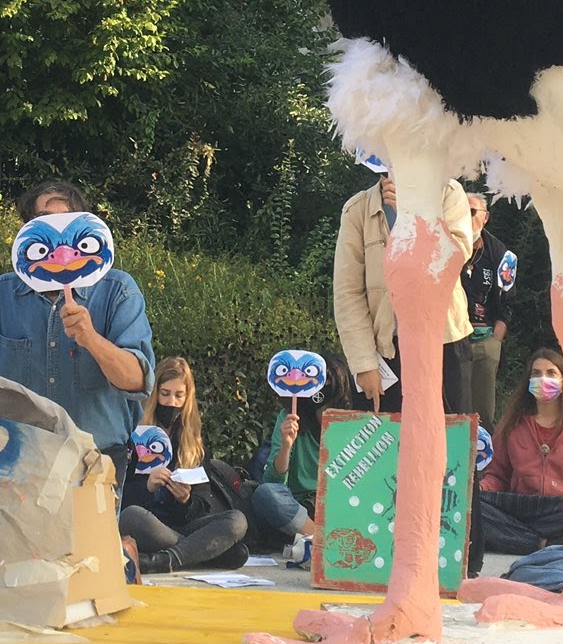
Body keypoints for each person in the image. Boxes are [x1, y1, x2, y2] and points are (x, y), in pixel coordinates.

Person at [0, 178, 156, 469]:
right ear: (26, 231)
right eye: (44, 221)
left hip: (96, 460)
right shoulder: (0, 294)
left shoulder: (118, 290)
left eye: (67, 221)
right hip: (20, 460)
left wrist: (91, 338)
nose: (59, 236)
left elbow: (138, 381)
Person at [332, 163, 475, 413]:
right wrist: (364, 363)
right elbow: (348, 292)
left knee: (449, 440)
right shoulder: (357, 210)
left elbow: (455, 258)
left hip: (445, 344)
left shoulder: (449, 193)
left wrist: (412, 213)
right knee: (384, 445)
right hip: (385, 351)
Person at [118, 357, 248, 574]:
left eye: (179, 396)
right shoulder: (136, 434)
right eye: (165, 393)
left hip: (181, 525)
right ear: (154, 393)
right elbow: (119, 496)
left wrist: (185, 500)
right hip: (148, 524)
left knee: (237, 520)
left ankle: (164, 560)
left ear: (188, 398)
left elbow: (202, 505)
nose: (171, 403)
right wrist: (147, 487)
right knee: (131, 516)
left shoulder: (192, 442)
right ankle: (204, 552)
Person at [477, 348, 563, 553]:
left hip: (560, 508)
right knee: (475, 506)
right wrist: (480, 489)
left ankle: (519, 540)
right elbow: (498, 475)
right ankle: (542, 544)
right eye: (536, 374)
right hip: (519, 505)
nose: (543, 379)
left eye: (551, 373)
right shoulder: (512, 425)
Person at [248, 353, 361, 564]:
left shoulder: (351, 424)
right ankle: (325, 544)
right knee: (266, 494)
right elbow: (273, 482)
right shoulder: (290, 419)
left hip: (336, 507)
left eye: (329, 385)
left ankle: (317, 542)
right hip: (298, 510)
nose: (323, 394)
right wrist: (286, 446)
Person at [458, 190, 512, 428]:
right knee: (454, 405)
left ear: (486, 216)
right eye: (460, 211)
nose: (465, 217)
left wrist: (498, 334)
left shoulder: (500, 253)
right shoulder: (445, 244)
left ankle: (484, 460)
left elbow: (508, 299)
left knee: (482, 410)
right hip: (451, 336)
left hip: (484, 335)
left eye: (471, 212)